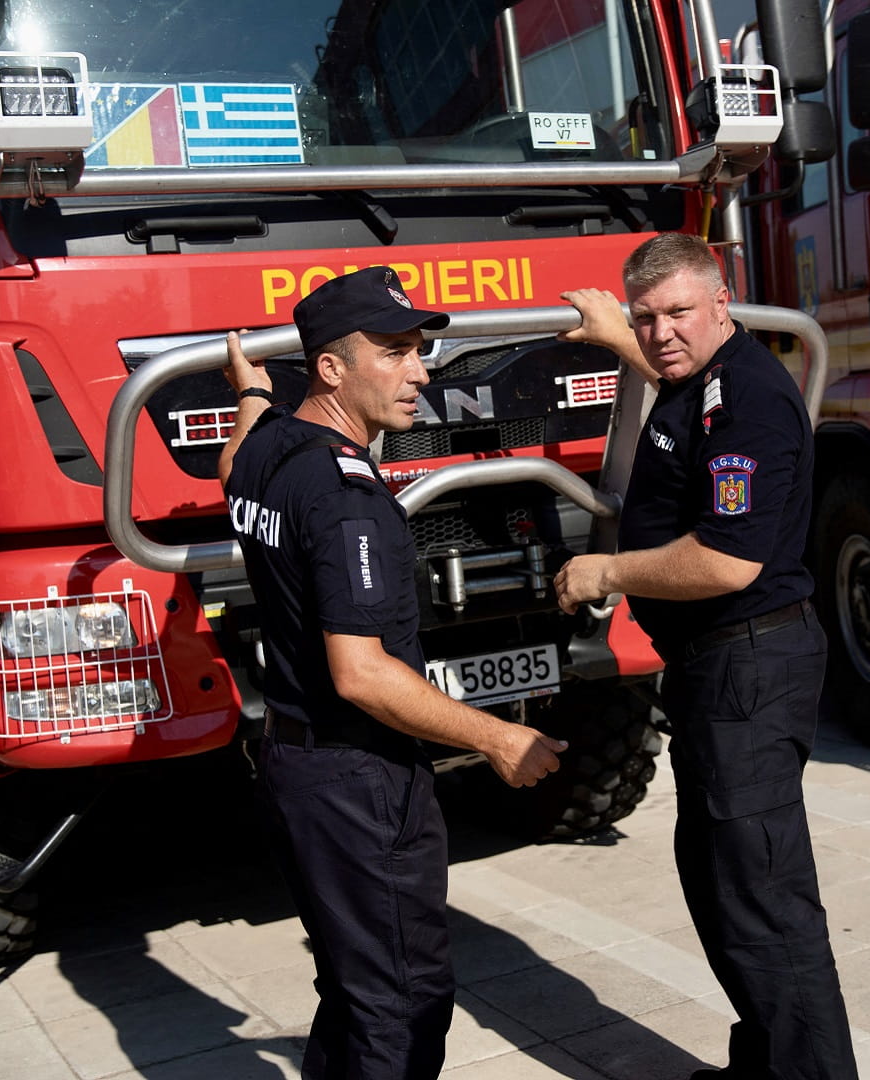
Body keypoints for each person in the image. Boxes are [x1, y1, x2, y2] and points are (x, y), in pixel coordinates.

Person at [218, 266, 568, 1080]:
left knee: (353, 988)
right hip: (357, 781)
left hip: (295, 766)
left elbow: (230, 463)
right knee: (402, 1007)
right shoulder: (346, 495)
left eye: (420, 350)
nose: (422, 371)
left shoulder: (271, 443)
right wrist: (498, 737)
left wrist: (247, 392)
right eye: (396, 352)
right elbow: (363, 675)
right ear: (331, 370)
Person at [554, 234, 859, 1080]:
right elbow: (680, 389)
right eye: (646, 319)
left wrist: (606, 569)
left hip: (748, 668)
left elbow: (728, 559)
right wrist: (619, 337)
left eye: (679, 313)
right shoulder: (702, 381)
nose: (661, 334)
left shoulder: (751, 403)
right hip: (716, 670)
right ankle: (765, 1061)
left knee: (765, 903)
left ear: (723, 304)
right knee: (721, 884)